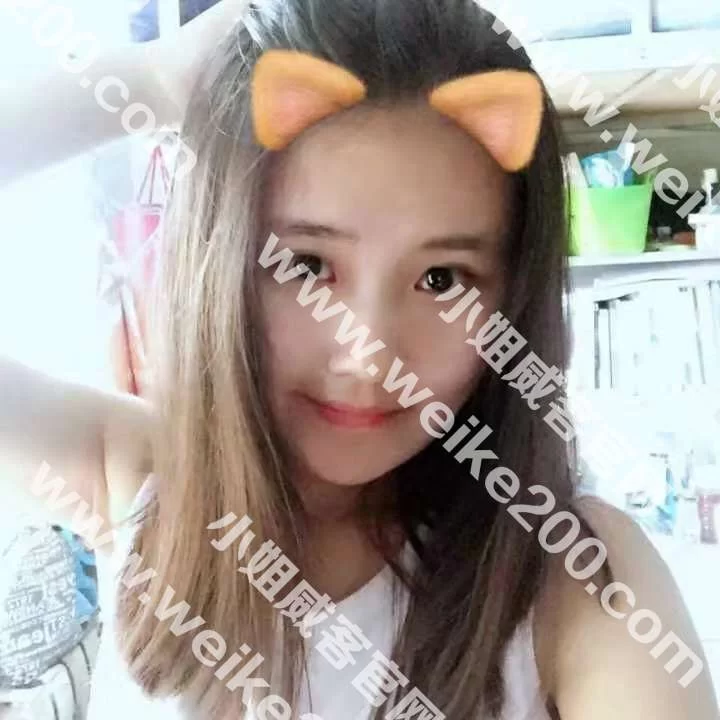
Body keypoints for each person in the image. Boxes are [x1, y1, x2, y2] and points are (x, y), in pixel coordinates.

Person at [0, 0, 717, 718]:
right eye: (307, 266)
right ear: (218, 259)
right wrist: (149, 82)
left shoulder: (577, 578)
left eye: (442, 280)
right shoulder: (142, 477)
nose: (368, 355)